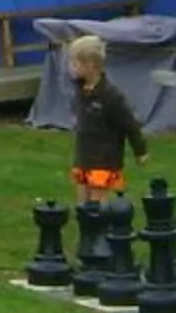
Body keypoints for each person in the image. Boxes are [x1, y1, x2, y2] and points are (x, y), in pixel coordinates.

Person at [64, 33, 150, 196]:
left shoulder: (110, 95)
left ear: (90, 65)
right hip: (84, 156)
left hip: (104, 158)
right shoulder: (80, 89)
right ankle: (85, 221)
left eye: (74, 63)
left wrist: (140, 151)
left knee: (98, 204)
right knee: (83, 200)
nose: (70, 67)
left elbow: (129, 124)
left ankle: (101, 220)